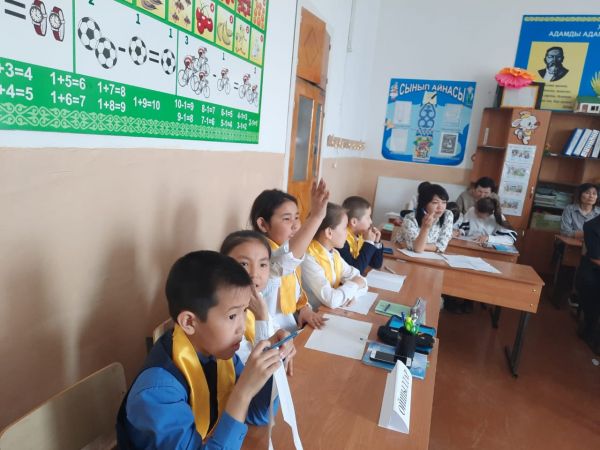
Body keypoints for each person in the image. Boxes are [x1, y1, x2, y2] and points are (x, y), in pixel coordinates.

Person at [117, 251, 294, 449]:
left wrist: (273, 360)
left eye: (245, 311)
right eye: (232, 316)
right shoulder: (157, 393)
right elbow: (243, 404)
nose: (243, 327)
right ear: (189, 322)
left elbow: (257, 414)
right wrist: (242, 393)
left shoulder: (216, 352)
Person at [250, 180, 328, 332]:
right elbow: (283, 262)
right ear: (263, 224)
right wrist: (316, 217)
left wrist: (304, 308)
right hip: (268, 337)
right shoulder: (259, 258)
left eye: (297, 217)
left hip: (291, 330)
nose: (296, 225)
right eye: (287, 219)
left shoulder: (291, 252)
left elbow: (295, 287)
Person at [220, 230, 296, 373]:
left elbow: (273, 332)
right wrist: (261, 317)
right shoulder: (223, 312)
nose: (254, 274)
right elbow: (253, 369)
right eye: (244, 264)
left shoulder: (256, 298)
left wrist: (284, 339)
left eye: (263, 265)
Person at [301, 203, 368, 309]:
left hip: (330, 311)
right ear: (329, 232)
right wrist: (354, 285)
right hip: (314, 315)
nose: (347, 233)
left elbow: (362, 280)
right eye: (345, 228)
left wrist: (353, 295)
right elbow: (331, 300)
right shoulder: (308, 257)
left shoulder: (334, 254)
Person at [397, 184, 453, 253]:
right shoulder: (410, 219)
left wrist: (418, 246)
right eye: (435, 202)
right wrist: (425, 228)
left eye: (444, 202)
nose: (441, 207)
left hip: (429, 256)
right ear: (424, 204)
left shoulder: (447, 215)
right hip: (401, 253)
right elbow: (418, 249)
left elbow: (442, 246)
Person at [337, 196, 383, 274]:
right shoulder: (341, 241)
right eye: (368, 217)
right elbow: (356, 270)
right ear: (354, 222)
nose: (371, 221)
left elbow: (376, 264)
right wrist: (368, 243)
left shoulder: (360, 236)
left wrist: (376, 242)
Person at [576, 214, 600, 355]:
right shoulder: (592, 226)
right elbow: (596, 258)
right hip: (593, 271)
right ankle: (590, 330)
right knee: (592, 290)